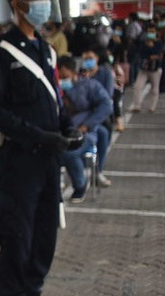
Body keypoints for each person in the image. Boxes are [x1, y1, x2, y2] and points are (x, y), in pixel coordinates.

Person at [0, 0, 76, 296]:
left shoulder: (46, 51)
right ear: (18, 5)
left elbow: (55, 101)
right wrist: (39, 136)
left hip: (48, 161)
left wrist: (66, 127)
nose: (44, 5)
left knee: (44, 236)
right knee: (17, 237)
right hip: (19, 162)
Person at [58, 55, 112, 203]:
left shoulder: (90, 86)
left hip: (84, 133)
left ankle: (80, 185)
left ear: (73, 72)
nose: (62, 79)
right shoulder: (54, 87)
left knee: (70, 153)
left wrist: (86, 126)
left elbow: (106, 105)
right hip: (59, 132)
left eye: (64, 75)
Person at [129, 22, 164, 114]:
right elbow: (141, 54)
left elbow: (158, 54)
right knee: (137, 86)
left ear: (156, 32)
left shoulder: (159, 43)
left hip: (155, 69)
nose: (150, 33)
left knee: (154, 88)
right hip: (144, 68)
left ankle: (152, 107)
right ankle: (137, 106)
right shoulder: (143, 42)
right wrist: (149, 52)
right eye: (149, 31)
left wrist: (152, 49)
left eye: (152, 31)